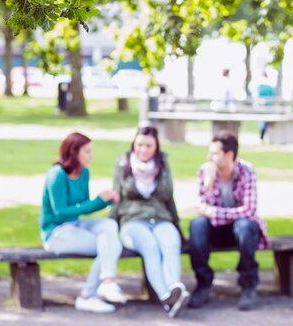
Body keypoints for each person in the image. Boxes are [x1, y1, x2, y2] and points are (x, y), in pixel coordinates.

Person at [40, 132, 126, 313]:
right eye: (87, 151)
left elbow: (85, 206)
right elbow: (60, 213)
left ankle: (107, 283)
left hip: (75, 225)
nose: (91, 156)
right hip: (56, 233)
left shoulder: (83, 173)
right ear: (74, 152)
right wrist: (97, 201)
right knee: (109, 245)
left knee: (110, 226)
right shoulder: (57, 175)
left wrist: (106, 200)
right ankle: (88, 295)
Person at [109, 126, 190, 318]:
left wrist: (177, 227)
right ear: (134, 144)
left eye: (148, 145)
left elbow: (170, 197)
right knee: (150, 246)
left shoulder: (162, 164)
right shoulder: (123, 164)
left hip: (161, 218)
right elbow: (116, 198)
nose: (143, 150)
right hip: (132, 220)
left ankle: (175, 288)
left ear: (156, 147)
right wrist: (111, 228)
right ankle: (167, 298)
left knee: (170, 243)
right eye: (139, 145)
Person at [188, 131, 268, 311]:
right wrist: (209, 183)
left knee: (245, 226)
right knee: (197, 225)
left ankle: (248, 285)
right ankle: (203, 283)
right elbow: (201, 208)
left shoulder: (247, 171)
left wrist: (214, 212)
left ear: (229, 155)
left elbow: (248, 210)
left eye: (214, 153)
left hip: (241, 231)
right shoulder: (205, 171)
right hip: (216, 231)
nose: (209, 157)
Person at [255, 71, 277, 141]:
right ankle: (263, 134)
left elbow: (257, 97)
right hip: (269, 108)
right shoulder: (270, 87)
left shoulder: (260, 87)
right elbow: (273, 97)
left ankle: (262, 133)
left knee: (263, 121)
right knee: (265, 121)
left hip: (263, 108)